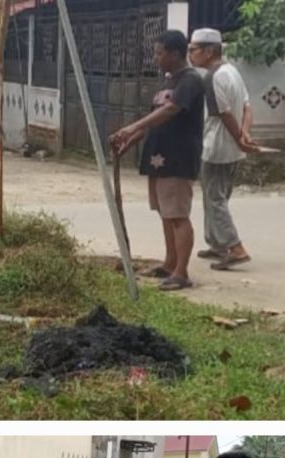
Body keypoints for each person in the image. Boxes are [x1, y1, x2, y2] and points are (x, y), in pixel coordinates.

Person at [111, 31, 205, 291]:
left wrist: (132, 127)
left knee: (177, 215)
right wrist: (132, 139)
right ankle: (169, 262)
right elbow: (156, 117)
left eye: (159, 53)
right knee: (165, 213)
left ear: (175, 54)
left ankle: (181, 272)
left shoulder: (190, 81)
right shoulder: (167, 82)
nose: (156, 58)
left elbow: (171, 110)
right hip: (158, 157)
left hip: (178, 157)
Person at [188, 28, 259, 270]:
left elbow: (225, 113)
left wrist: (239, 138)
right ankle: (217, 244)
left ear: (209, 52)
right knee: (217, 197)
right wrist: (244, 133)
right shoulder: (233, 72)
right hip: (232, 148)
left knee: (215, 198)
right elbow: (247, 107)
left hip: (217, 147)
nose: (190, 54)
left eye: (193, 49)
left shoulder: (213, 78)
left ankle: (234, 246)